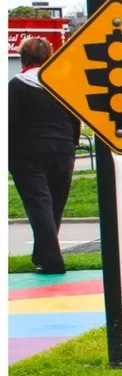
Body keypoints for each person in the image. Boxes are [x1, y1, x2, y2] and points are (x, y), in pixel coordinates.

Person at [8, 37, 80, 275]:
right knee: (54, 205)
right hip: (63, 150)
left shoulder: (17, 85)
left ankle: (51, 260)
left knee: (39, 204)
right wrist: (72, 145)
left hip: (28, 153)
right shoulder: (61, 85)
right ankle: (44, 254)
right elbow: (74, 119)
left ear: (23, 58)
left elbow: (10, 122)